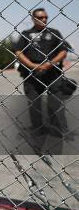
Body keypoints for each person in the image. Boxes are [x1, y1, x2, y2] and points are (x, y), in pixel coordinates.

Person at [13, 8, 70, 140]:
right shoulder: (26, 34)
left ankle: (56, 128)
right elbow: (18, 51)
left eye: (45, 17)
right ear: (33, 19)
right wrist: (33, 66)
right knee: (34, 103)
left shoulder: (54, 33)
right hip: (32, 74)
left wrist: (49, 64)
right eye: (40, 17)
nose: (44, 19)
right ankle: (38, 128)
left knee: (55, 102)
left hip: (52, 73)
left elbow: (63, 51)